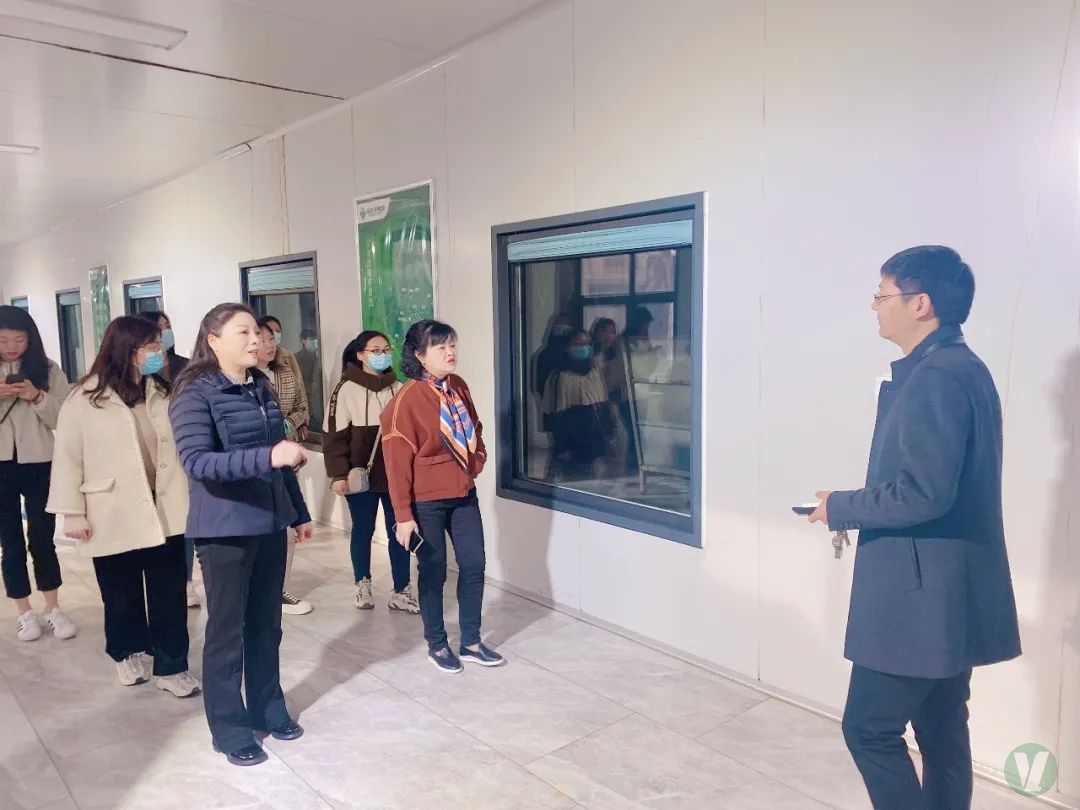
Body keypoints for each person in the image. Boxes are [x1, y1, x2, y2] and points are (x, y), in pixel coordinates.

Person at [807, 246, 1021, 809]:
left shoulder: (938, 375)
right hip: (947, 594)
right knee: (943, 733)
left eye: (882, 295)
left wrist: (842, 505)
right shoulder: (961, 368)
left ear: (920, 303)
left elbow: (924, 492)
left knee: (869, 730)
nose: (875, 306)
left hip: (919, 600)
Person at [170, 303, 312, 767]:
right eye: (244, 333)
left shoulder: (260, 386)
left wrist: (298, 512)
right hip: (225, 528)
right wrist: (268, 458)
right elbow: (197, 462)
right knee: (227, 632)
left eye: (258, 332)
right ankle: (229, 729)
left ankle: (268, 708)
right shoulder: (195, 391)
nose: (256, 340)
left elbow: (280, 454)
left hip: (269, 523)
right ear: (213, 340)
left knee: (266, 625)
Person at [48, 316, 199, 696]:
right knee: (120, 593)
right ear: (127, 350)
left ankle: (172, 666)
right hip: (111, 510)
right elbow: (67, 458)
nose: (159, 353)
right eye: (152, 347)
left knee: (169, 594)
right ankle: (126, 651)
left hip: (165, 508)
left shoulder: (162, 390)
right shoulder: (85, 398)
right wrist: (73, 513)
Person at [381, 320, 504, 674]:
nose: (450, 352)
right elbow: (396, 465)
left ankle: (471, 642)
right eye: (441, 347)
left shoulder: (458, 386)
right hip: (426, 503)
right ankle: (437, 644)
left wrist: (476, 460)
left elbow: (474, 427)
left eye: (452, 345)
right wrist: (403, 515)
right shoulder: (405, 400)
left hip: (463, 494)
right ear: (420, 355)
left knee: (474, 564)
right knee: (433, 571)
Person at [324, 331, 417, 613]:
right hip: (360, 474)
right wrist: (338, 475)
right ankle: (362, 583)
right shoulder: (345, 389)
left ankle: (402, 589)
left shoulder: (399, 388)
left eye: (386, 349)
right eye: (375, 350)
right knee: (363, 529)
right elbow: (334, 436)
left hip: (394, 475)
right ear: (360, 355)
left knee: (399, 530)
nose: (382, 355)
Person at [0, 305, 76, 642]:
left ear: (30, 339)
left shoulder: (47, 369)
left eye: (18, 340)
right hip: (1, 464)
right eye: (3, 340)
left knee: (43, 537)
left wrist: (37, 396)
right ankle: (24, 612)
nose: (11, 347)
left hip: (40, 462)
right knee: (10, 540)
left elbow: (64, 418)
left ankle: (52, 607)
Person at [137, 310, 199, 609]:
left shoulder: (185, 367)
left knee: (181, 523)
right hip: (148, 463)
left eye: (167, 327)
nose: (164, 335)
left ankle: (186, 580)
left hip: (179, 456)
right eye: (157, 330)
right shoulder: (135, 377)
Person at [256, 319, 312, 616]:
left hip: (285, 454)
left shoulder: (286, 368)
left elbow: (303, 406)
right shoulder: (239, 382)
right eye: (262, 338)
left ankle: (278, 590)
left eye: (272, 337)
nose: (269, 344)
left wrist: (286, 426)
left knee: (287, 532)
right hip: (257, 466)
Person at [542, 330, 614, 480]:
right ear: (567, 348)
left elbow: (603, 405)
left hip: (594, 444)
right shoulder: (560, 377)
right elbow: (556, 415)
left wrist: (607, 437)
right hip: (571, 445)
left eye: (587, 343)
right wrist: (563, 447)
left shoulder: (594, 373)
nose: (583, 347)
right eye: (578, 344)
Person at [295, 328, 323, 434]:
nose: (314, 342)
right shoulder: (298, 358)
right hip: (307, 403)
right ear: (303, 341)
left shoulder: (319, 356)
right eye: (311, 339)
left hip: (318, 403)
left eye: (315, 339)